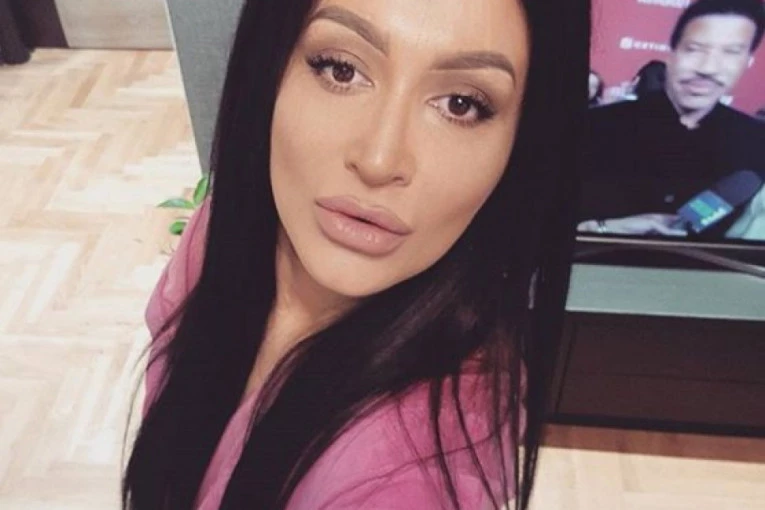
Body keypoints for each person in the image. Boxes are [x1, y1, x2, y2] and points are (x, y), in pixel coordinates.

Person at [122, 1, 590, 510]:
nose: (379, 160)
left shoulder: (407, 478)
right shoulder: (217, 233)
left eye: (460, 104)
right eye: (340, 69)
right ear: (270, 62)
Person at [578, 0, 765, 239]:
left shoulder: (757, 144)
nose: (708, 68)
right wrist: (602, 228)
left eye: (731, 52)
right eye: (694, 49)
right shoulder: (593, 127)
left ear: (748, 60)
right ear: (672, 52)